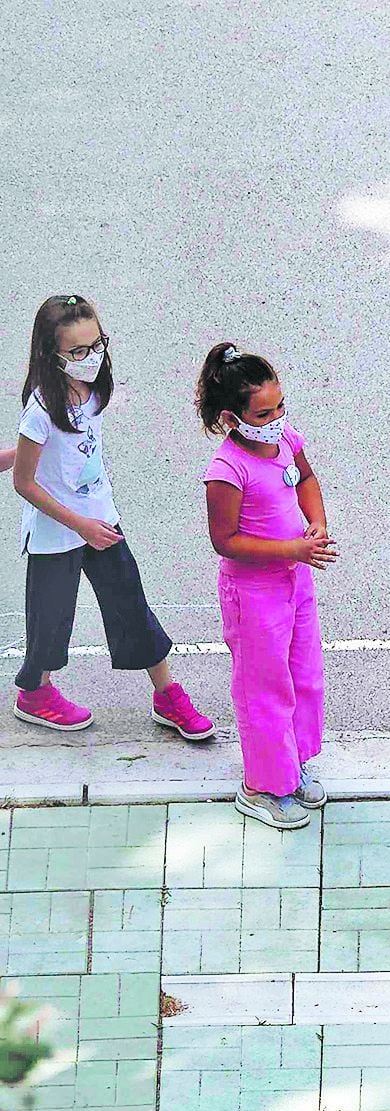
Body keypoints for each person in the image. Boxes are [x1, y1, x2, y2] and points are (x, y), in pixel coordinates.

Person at [13, 296, 213, 739]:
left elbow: (65, 448)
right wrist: (78, 524)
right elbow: (25, 483)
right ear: (52, 354)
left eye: (97, 344)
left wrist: (90, 520)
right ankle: (35, 693)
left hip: (100, 521)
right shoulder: (42, 406)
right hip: (57, 531)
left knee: (130, 604)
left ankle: (166, 693)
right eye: (79, 352)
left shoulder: (95, 389)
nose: (92, 357)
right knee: (51, 617)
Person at [196, 343, 332, 830]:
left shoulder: (286, 438)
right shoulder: (226, 471)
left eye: (280, 407)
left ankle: (290, 765)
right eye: (263, 413)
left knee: (303, 674)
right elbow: (225, 541)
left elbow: (307, 480)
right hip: (253, 596)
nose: (276, 418)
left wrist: (314, 524)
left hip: (294, 583)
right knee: (263, 686)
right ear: (233, 418)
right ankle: (259, 785)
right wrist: (293, 550)